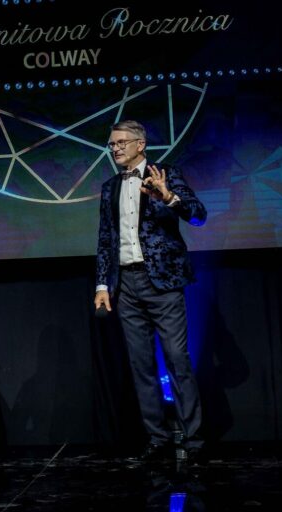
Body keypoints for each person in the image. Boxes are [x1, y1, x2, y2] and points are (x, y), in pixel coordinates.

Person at [94, 120, 208, 464]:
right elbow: (105, 238)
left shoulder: (166, 174)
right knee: (141, 364)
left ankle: (193, 439)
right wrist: (102, 284)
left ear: (140, 144)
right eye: (112, 144)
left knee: (177, 358)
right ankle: (157, 439)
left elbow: (199, 216)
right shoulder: (110, 187)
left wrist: (168, 197)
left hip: (163, 282)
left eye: (121, 143)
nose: (115, 149)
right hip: (126, 284)